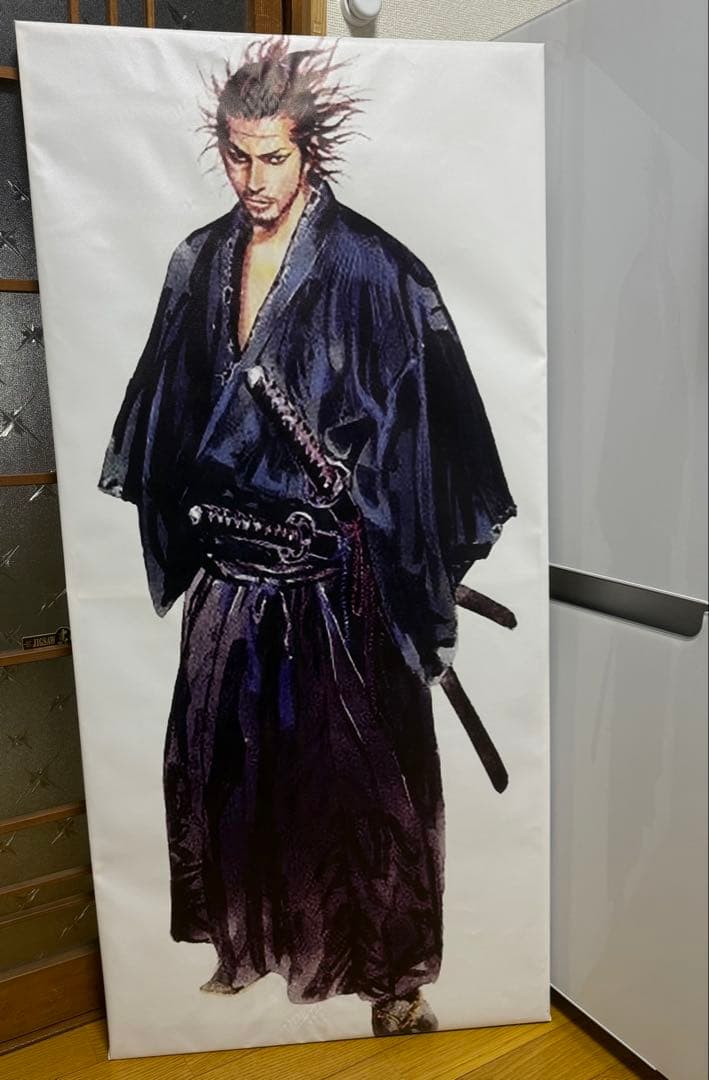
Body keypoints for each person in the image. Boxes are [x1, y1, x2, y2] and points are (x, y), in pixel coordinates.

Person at [99, 38, 515, 1037]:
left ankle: (390, 984)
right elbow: (161, 419)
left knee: (359, 791)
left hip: (339, 585)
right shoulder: (198, 262)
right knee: (231, 773)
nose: (253, 180)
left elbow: (437, 443)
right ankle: (250, 944)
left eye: (273, 158)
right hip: (234, 577)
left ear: (309, 152)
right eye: (237, 157)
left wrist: (392, 551)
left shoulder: (378, 271)